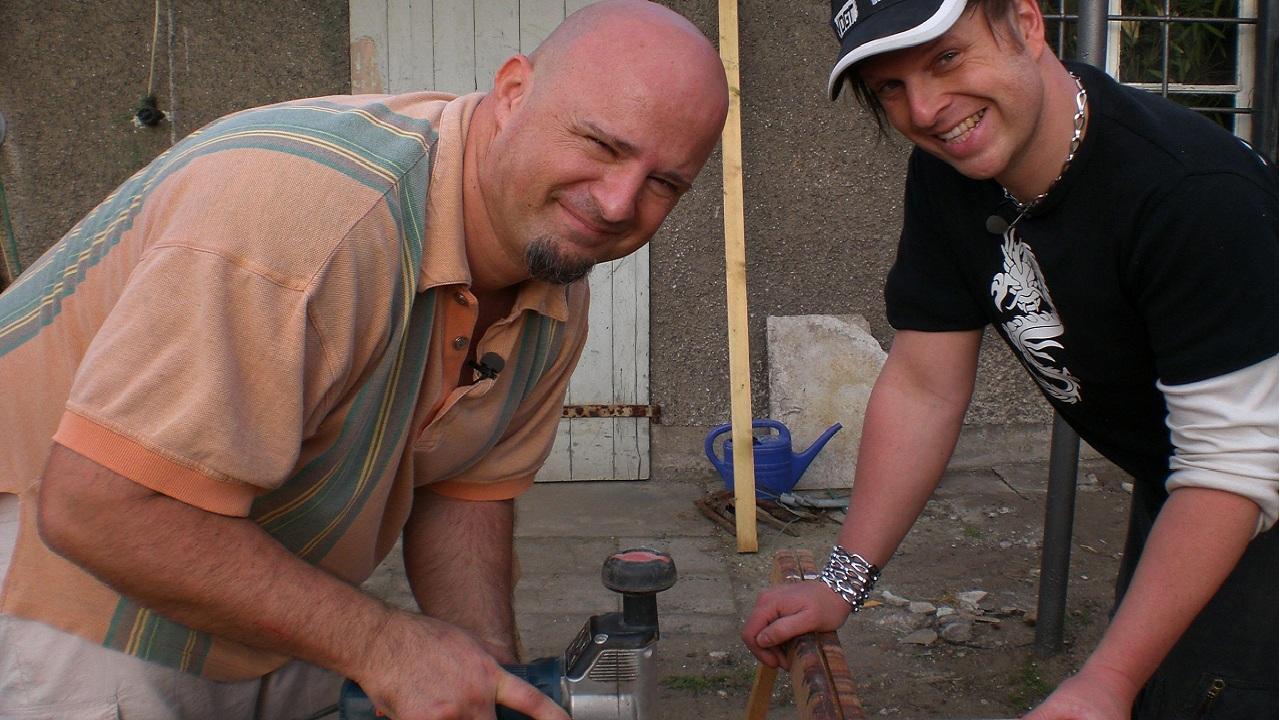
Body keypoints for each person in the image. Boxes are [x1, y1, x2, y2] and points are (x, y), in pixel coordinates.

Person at [0, 2, 728, 718]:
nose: (617, 203)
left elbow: (462, 494)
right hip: (57, 584)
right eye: (602, 145)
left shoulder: (552, 279)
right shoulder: (302, 220)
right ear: (513, 93)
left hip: (248, 575)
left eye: (665, 183)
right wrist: (384, 646)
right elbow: (97, 509)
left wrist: (492, 682)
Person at [743, 0, 1277, 717]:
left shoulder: (1190, 194)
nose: (927, 109)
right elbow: (924, 386)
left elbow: (1234, 465)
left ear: (1027, 22)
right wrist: (842, 581)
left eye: (946, 58)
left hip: (1243, 483)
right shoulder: (951, 175)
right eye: (890, 88)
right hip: (1185, 480)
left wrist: (1105, 680)